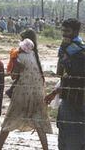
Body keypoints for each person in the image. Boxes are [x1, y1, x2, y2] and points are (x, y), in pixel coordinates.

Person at [0, 30, 52, 149]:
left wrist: (13, 65)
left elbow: (14, 76)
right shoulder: (34, 55)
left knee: (9, 120)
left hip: (23, 93)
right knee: (38, 122)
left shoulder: (18, 56)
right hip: (37, 93)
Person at [45, 18, 85, 150]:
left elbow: (71, 76)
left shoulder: (80, 52)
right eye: (63, 31)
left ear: (76, 32)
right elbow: (61, 75)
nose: (64, 34)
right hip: (67, 99)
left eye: (67, 31)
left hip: (77, 101)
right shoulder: (67, 50)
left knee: (74, 140)